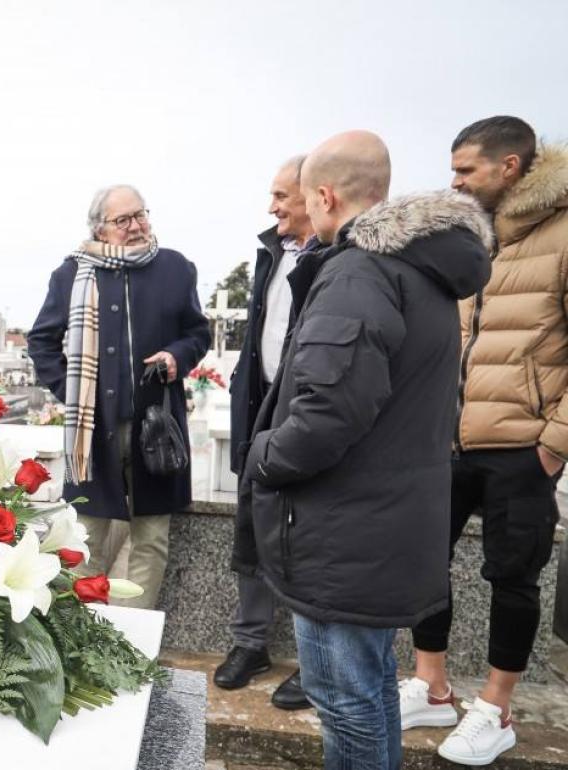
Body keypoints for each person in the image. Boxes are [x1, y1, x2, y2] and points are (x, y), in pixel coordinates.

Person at [237, 130, 491, 769]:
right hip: (384, 518)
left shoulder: (358, 272)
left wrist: (263, 456)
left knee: (344, 700)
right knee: (371, 688)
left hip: (344, 530)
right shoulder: (417, 269)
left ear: (324, 196)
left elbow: (328, 412)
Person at [403, 116, 568, 766]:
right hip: (448, 440)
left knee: (512, 576)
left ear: (510, 168)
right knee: (422, 559)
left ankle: (495, 709)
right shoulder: (469, 237)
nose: (454, 182)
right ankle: (432, 685)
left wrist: (554, 443)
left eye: (465, 170)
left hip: (523, 445)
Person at [27, 184, 210, 607]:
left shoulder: (176, 267)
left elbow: (197, 333)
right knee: (86, 536)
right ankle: (89, 645)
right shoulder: (72, 273)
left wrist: (176, 356)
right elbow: (42, 341)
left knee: (151, 538)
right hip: (92, 430)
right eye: (122, 220)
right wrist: (71, 392)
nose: (136, 226)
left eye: (141, 214)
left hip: (157, 426)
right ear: (100, 229)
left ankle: (134, 641)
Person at [215, 156, 314, 710]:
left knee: (306, 538)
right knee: (251, 528)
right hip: (260, 412)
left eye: (282, 195)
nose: (272, 207)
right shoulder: (270, 253)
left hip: (308, 415)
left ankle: (312, 660)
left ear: (316, 195)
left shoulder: (336, 256)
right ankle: (249, 643)